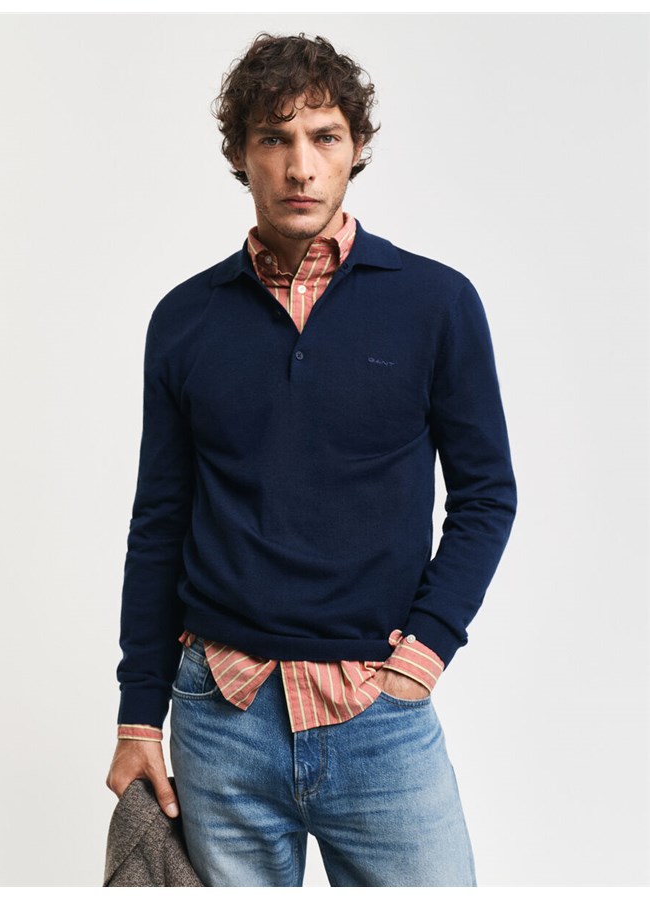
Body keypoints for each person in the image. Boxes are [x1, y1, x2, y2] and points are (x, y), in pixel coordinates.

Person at [106, 32, 517, 888]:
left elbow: (486, 495)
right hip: (221, 714)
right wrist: (138, 716)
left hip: (378, 715)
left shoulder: (436, 303)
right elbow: (159, 524)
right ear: (239, 154)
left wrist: (424, 654)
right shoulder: (184, 320)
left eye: (324, 137)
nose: (300, 166)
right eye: (274, 137)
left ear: (355, 147)